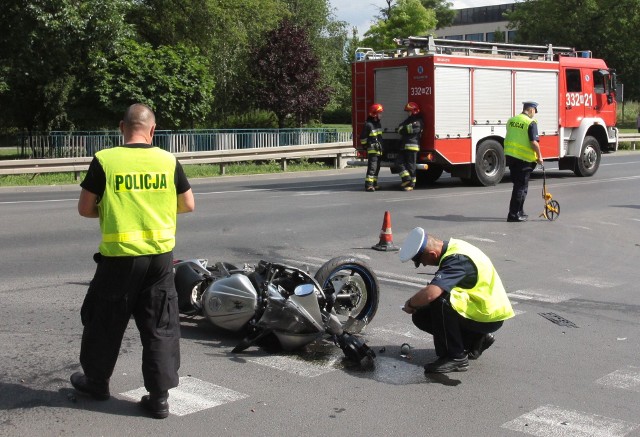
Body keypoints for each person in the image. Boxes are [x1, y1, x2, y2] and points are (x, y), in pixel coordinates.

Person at [70, 103, 195, 419]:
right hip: (159, 259)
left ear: (121, 127)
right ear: (152, 130)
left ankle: (96, 383)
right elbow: (188, 204)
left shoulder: (106, 160)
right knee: (160, 325)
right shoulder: (168, 161)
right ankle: (159, 398)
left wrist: (113, 210)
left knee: (104, 322)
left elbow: (85, 208)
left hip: (119, 260)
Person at [399, 227, 514, 373]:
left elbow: (431, 294)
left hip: (487, 315)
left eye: (421, 261)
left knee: (440, 299)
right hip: (484, 309)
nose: (424, 265)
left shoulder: (456, 259)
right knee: (421, 315)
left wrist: (410, 304)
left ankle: (455, 356)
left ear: (432, 254)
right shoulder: (455, 247)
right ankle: (475, 340)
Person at [504, 101, 544, 222]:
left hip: (511, 157)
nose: (534, 114)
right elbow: (533, 142)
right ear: (531, 110)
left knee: (518, 185)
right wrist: (540, 156)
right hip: (524, 159)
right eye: (534, 112)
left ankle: (520, 211)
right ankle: (513, 214)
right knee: (521, 188)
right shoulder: (530, 123)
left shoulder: (512, 120)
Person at [396, 102, 424, 191]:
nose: (408, 113)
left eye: (409, 111)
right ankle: (407, 179)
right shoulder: (408, 121)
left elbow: (405, 129)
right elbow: (399, 129)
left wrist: (404, 128)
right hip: (404, 146)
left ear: (414, 111)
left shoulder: (419, 122)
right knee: (398, 163)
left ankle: (411, 184)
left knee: (411, 166)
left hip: (412, 147)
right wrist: (404, 128)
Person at [360, 103, 384, 192]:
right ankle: (368, 185)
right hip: (373, 150)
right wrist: (367, 146)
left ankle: (374, 183)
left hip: (378, 150)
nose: (381, 115)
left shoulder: (378, 124)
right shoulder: (368, 125)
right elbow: (363, 138)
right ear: (374, 114)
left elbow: (379, 137)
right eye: (380, 113)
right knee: (372, 168)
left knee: (377, 168)